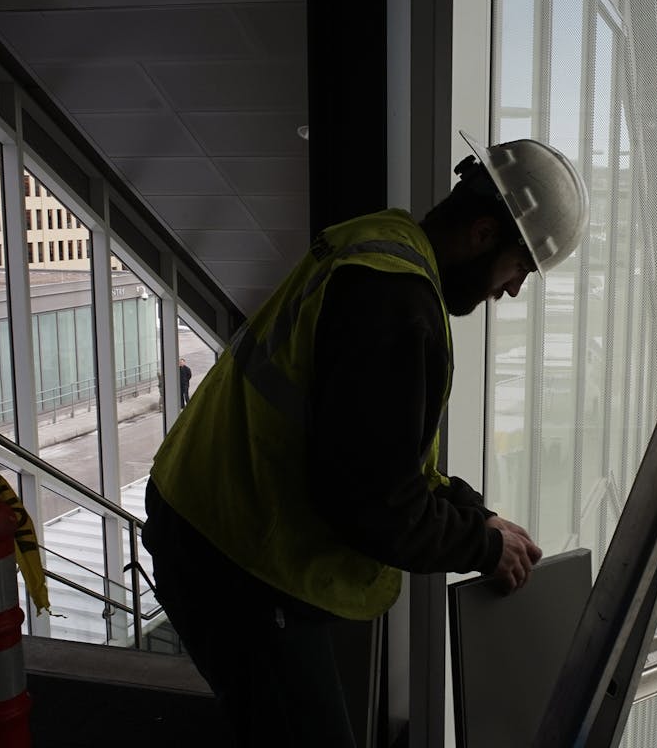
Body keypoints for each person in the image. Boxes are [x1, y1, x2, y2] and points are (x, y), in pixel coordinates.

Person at [142, 131, 588, 746]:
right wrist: (482, 548)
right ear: (484, 234)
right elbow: (375, 506)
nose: (510, 289)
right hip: (232, 555)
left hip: (212, 517)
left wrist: (477, 516)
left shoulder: (385, 245)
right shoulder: (397, 308)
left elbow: (381, 455)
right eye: (520, 268)